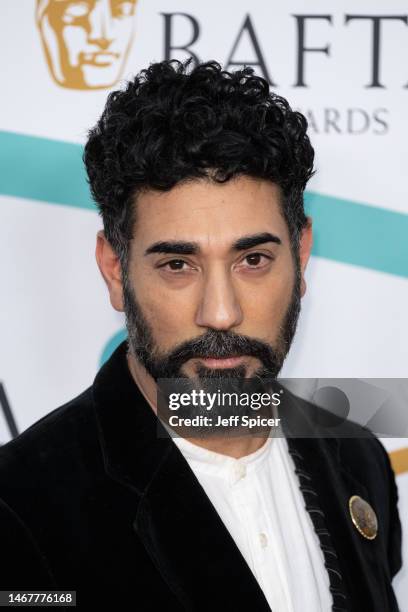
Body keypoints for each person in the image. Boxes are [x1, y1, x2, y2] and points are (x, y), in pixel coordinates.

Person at [0, 59, 402, 611]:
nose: (221, 313)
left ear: (301, 255)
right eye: (177, 265)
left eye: (253, 259)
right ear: (115, 270)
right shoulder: (20, 508)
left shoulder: (357, 456)